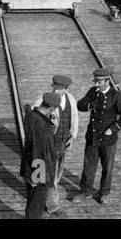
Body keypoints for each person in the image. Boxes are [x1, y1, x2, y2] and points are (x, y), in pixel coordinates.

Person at [75, 68, 121, 204]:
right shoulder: (93, 92)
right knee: (89, 166)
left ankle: (104, 192)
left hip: (108, 139)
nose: (96, 84)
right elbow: (79, 105)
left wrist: (113, 129)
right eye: (95, 81)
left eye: (99, 82)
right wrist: (92, 102)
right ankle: (85, 191)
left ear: (107, 81)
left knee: (107, 167)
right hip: (93, 136)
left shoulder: (116, 96)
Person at [31, 75, 78, 214]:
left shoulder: (71, 100)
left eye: (59, 89)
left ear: (66, 89)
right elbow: (34, 119)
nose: (55, 92)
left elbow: (74, 118)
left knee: (58, 173)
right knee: (50, 175)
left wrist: (72, 136)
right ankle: (53, 206)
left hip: (63, 143)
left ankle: (46, 197)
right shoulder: (43, 100)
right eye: (54, 88)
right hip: (49, 144)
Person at [21, 91, 62, 219]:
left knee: (33, 202)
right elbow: (38, 152)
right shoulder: (41, 127)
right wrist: (37, 177)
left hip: (31, 167)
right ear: (51, 108)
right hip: (39, 171)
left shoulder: (30, 115)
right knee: (36, 205)